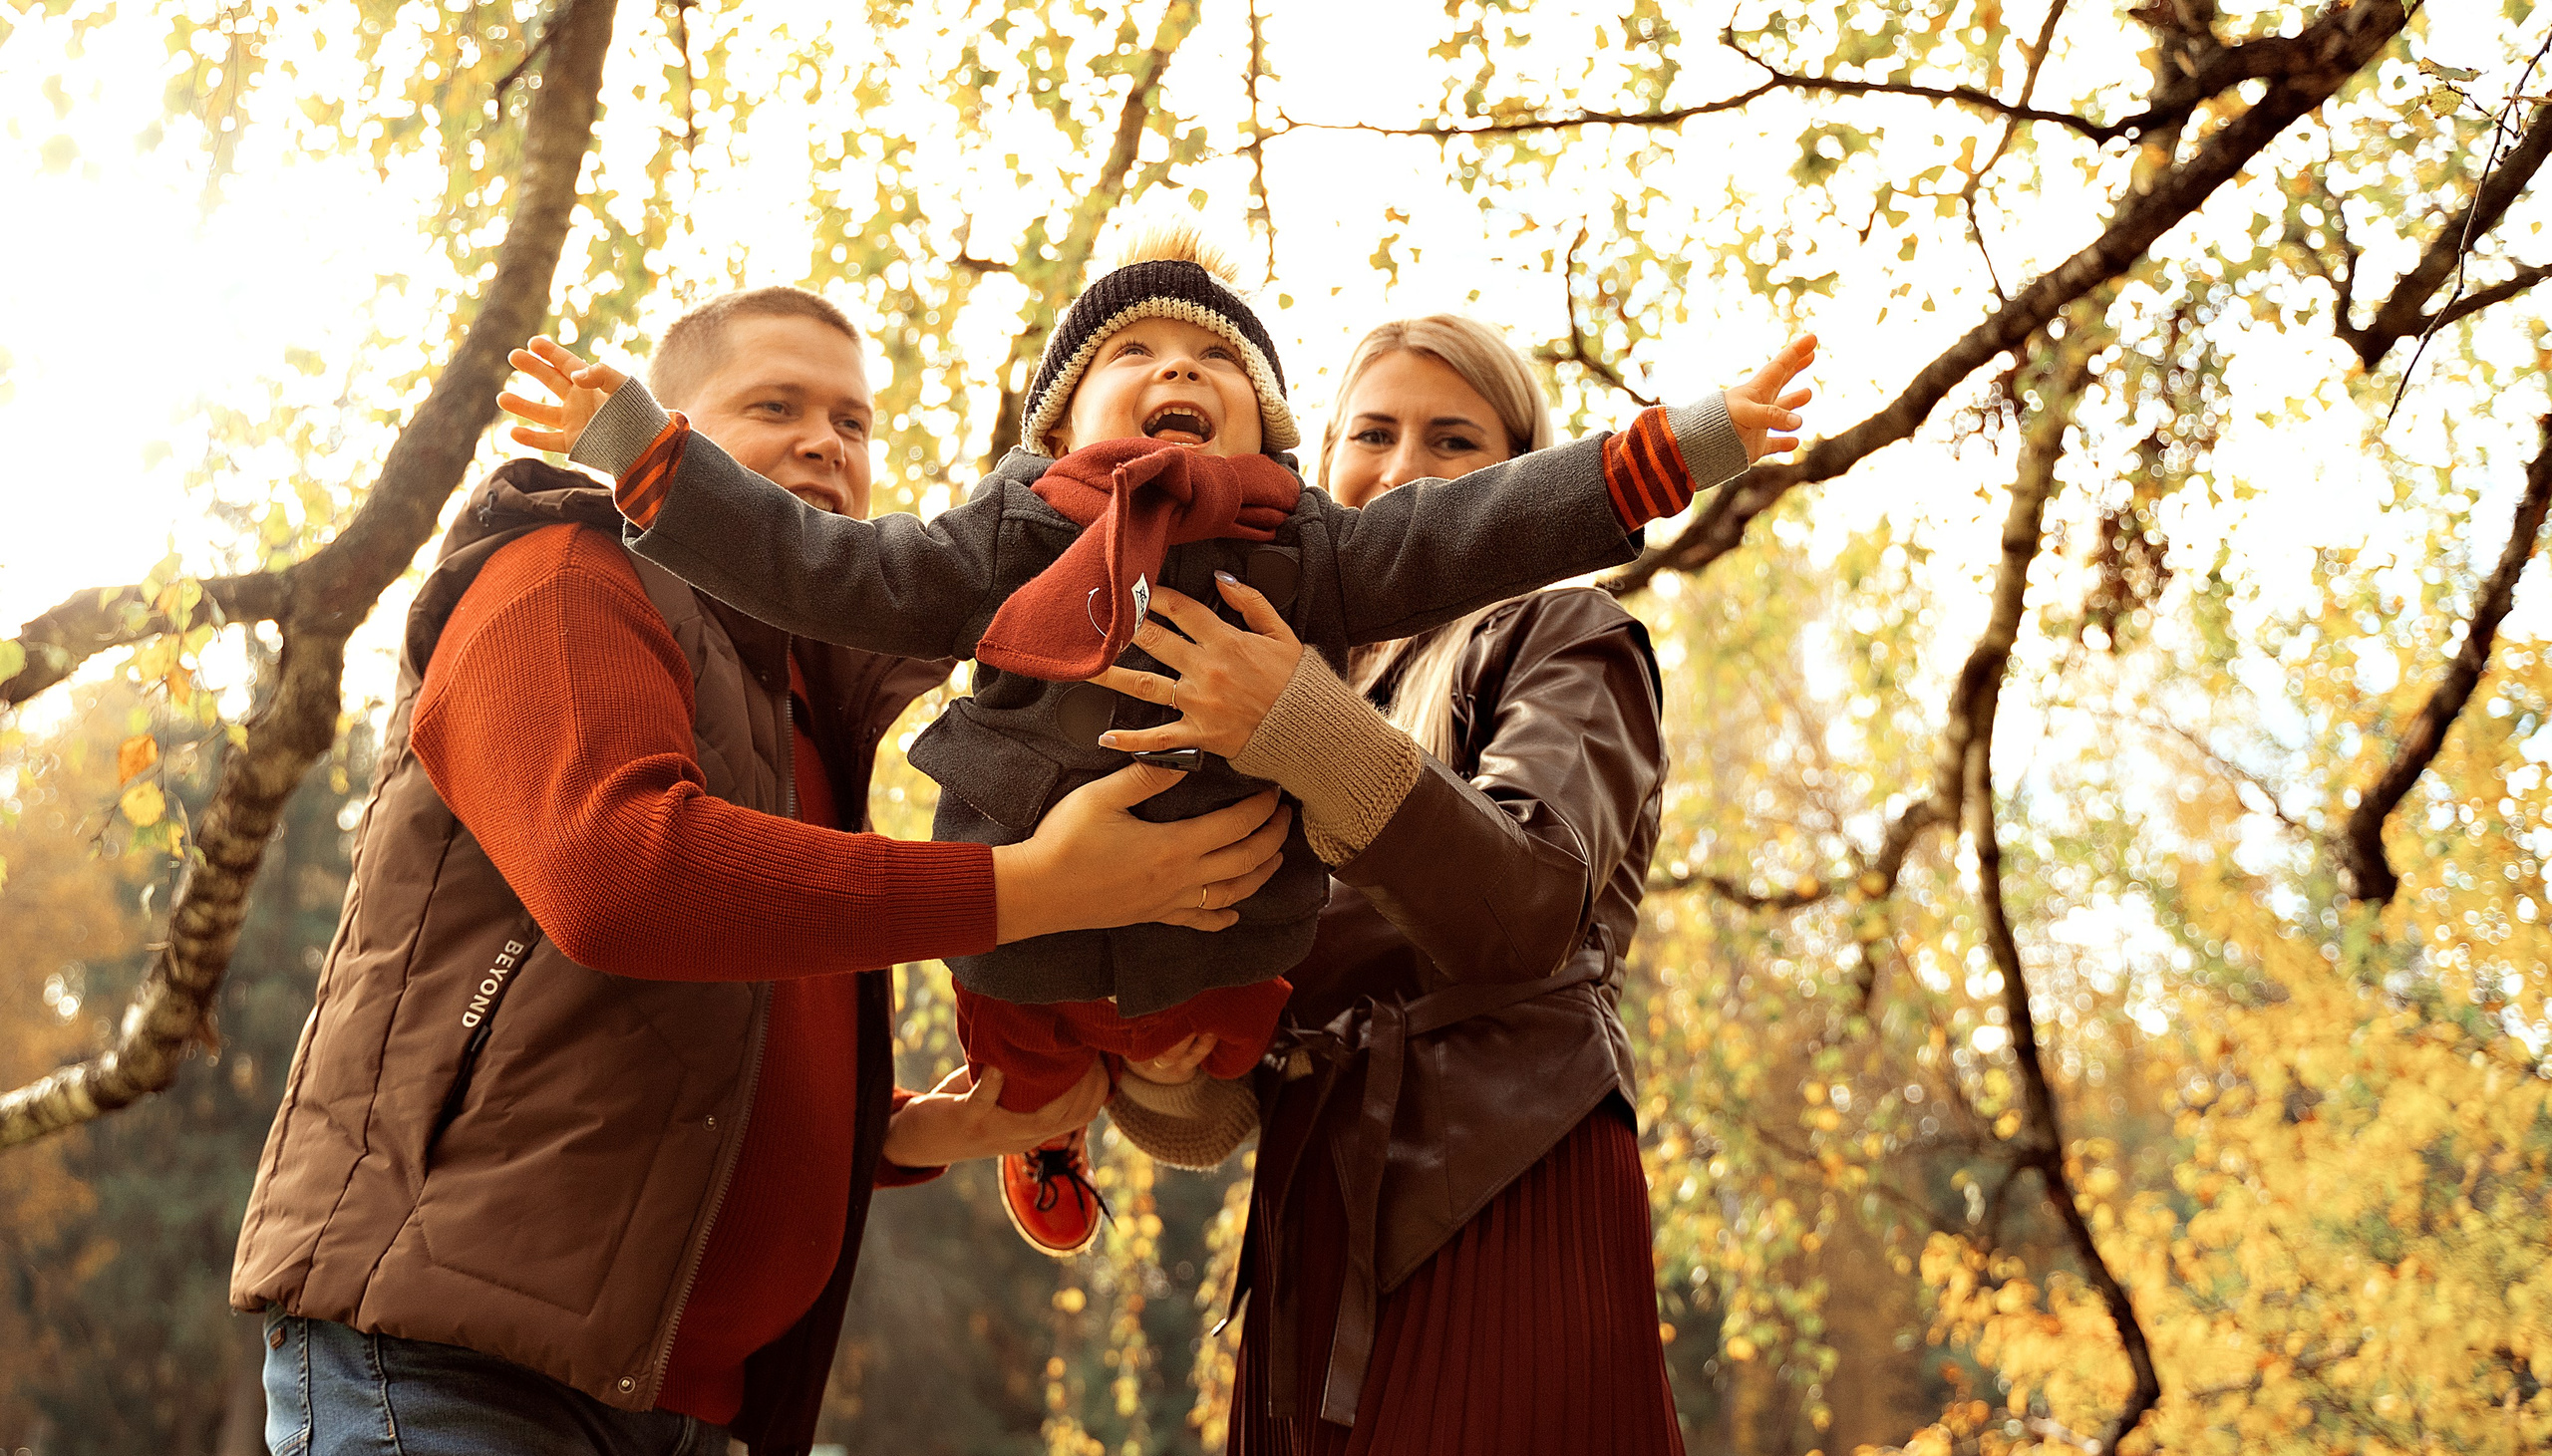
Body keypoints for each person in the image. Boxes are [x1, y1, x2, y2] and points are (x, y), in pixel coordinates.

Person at [506, 229, 1811, 1261]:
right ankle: (1044, 1125)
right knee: (1021, 1039)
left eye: (1218, 363)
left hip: (1226, 926)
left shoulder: (1314, 554)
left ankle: (1168, 1082)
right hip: (1022, 907)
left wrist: (1681, 446)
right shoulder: (1001, 538)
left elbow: (1490, 526)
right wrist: (643, 447)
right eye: (1135, 352)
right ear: (1063, 422)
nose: (1181, 373)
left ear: (1269, 431)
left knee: (1222, 1029)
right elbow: (821, 565)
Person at [229, 285, 1291, 1456]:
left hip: (690, 1403)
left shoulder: (803, 700)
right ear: (666, 433)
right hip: (449, 1370)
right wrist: (1037, 887)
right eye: (774, 405)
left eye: (853, 423)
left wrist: (891, 1139)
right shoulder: (565, 571)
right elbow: (619, 877)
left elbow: (692, 1033)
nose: (823, 444)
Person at [1103, 314, 1812, 1452]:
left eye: (1453, 443)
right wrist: (1164, 1068)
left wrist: (1296, 723)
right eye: (1372, 434)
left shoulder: (1568, 633)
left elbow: (1523, 908)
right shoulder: (1274, 679)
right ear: (1322, 459)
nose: (1402, 473)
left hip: (1507, 1191)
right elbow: (1237, 1064)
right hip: (1309, 1233)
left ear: (1516, 486)